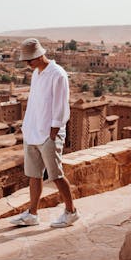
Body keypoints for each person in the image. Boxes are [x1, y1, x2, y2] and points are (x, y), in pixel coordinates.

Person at [10, 38, 79, 228]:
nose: (28, 64)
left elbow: (61, 106)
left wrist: (53, 134)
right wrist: (27, 127)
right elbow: (34, 103)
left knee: (56, 174)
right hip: (33, 131)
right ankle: (32, 214)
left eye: (30, 59)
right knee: (34, 175)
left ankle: (71, 212)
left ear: (40, 55)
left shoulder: (58, 75)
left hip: (49, 134)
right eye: (26, 60)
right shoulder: (36, 74)